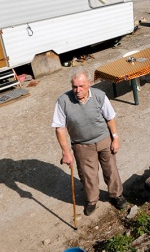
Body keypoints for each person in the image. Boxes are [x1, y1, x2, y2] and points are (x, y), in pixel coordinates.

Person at [52, 67, 127, 216]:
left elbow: (110, 118)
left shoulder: (100, 96)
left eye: (81, 86)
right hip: (82, 145)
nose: (78, 90)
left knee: (111, 169)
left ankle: (116, 195)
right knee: (88, 175)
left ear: (90, 84)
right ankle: (92, 200)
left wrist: (115, 138)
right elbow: (60, 128)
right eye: (74, 86)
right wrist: (66, 152)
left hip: (104, 139)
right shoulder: (63, 101)